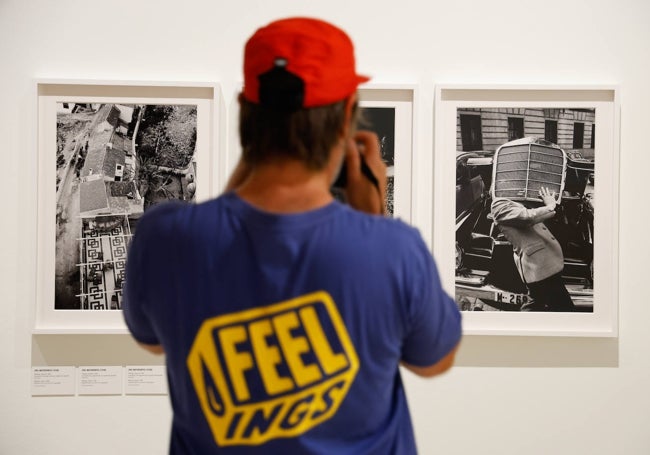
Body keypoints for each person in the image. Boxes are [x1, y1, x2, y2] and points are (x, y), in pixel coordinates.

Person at [123, 17, 461, 454]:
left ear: (245, 110)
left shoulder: (162, 238)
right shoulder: (395, 249)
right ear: (345, 119)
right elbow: (435, 360)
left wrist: (252, 162)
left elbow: (152, 342)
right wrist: (373, 219)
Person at [490, 187, 576, 312]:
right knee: (563, 309)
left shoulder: (516, 200)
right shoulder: (498, 204)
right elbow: (527, 217)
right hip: (538, 264)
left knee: (539, 303)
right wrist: (551, 205)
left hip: (542, 263)